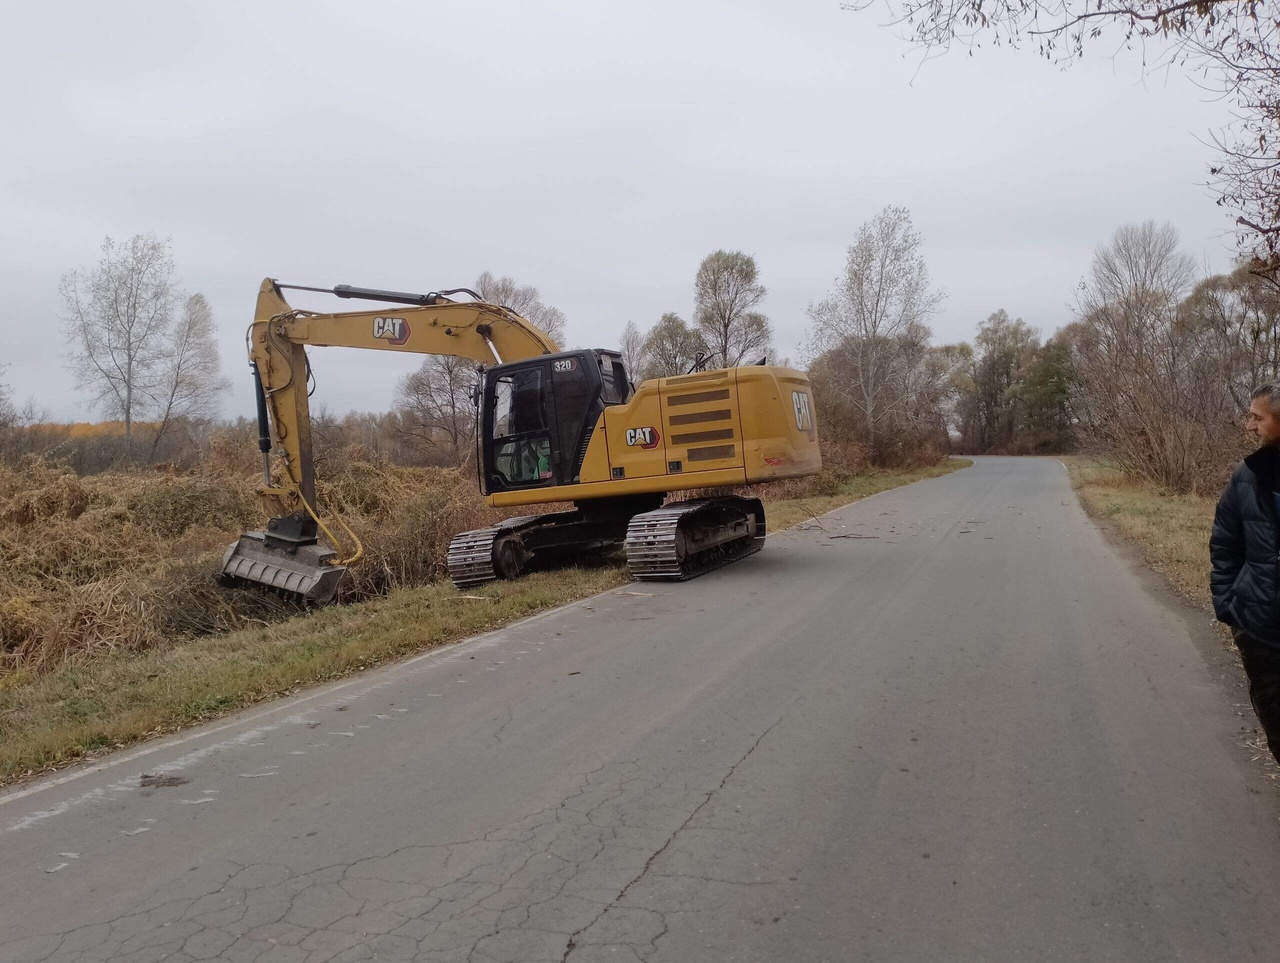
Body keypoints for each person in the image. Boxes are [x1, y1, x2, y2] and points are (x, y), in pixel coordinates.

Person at [1211, 382, 1280, 765]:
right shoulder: (1248, 475)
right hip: (1260, 628)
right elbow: (1225, 543)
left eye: (1257, 417)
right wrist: (1229, 605)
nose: (1248, 426)